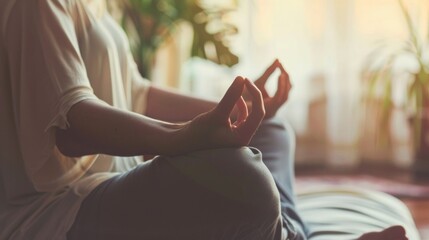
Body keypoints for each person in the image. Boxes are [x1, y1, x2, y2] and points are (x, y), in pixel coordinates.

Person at [0, 0, 408, 239]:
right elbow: (72, 128)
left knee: (271, 131)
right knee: (243, 174)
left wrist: (232, 111)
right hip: (59, 212)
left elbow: (137, 93)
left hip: (110, 185)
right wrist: (184, 136)